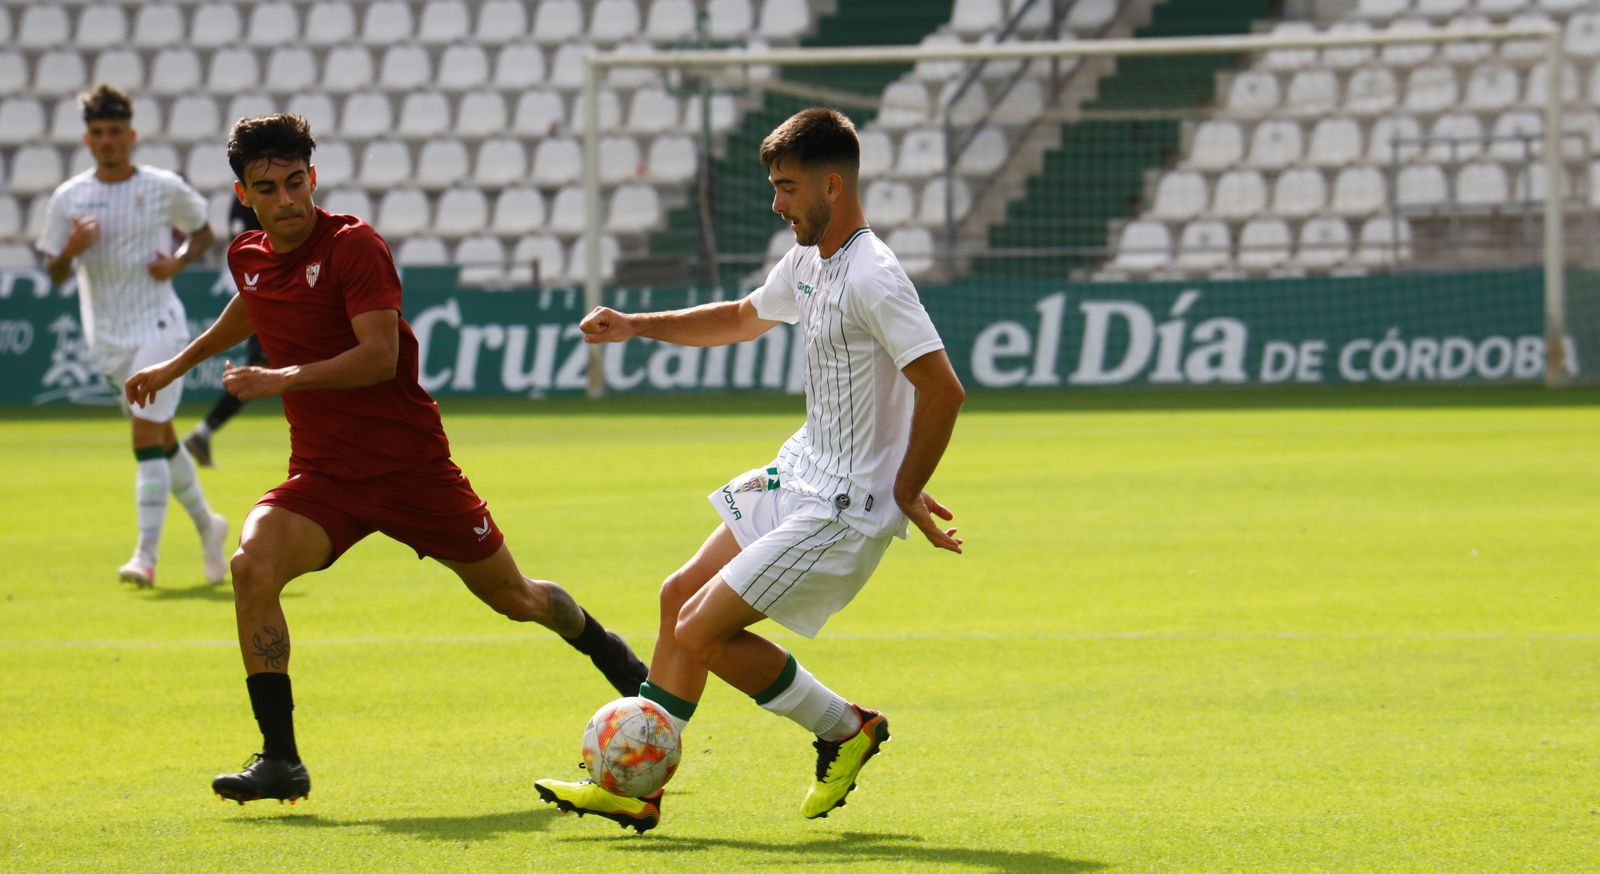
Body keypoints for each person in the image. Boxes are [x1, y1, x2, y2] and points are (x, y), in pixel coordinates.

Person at [124, 113, 648, 805]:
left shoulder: (353, 247)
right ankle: (281, 759)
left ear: (312, 177)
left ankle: (619, 661)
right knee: (253, 568)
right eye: (266, 187)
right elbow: (251, 304)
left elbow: (380, 357)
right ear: (243, 194)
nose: (285, 199)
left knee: (517, 600)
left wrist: (281, 379)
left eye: (294, 182)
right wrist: (177, 362)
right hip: (325, 477)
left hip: (411, 472)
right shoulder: (247, 254)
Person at [535, 107, 965, 833]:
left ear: (834, 185)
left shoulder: (875, 276)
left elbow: (943, 388)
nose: (777, 203)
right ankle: (640, 789)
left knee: (702, 629)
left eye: (788, 188)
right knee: (679, 597)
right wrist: (639, 326)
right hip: (800, 470)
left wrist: (900, 488)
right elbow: (739, 317)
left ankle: (844, 727)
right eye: (773, 186)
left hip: (844, 506)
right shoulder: (806, 262)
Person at [36, 83, 227, 589]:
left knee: (144, 434)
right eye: (97, 133)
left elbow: (205, 230)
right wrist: (71, 250)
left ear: (132, 135)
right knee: (160, 437)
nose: (107, 141)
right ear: (86, 138)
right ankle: (210, 526)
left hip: (159, 326)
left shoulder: (163, 186)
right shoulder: (70, 198)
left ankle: (145, 556)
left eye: (115, 132)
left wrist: (178, 261)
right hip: (108, 338)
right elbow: (53, 274)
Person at [181, 198, 272, 468]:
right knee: (262, 368)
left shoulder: (245, 198)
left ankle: (203, 433)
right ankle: (202, 433)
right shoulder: (247, 200)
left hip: (271, 292)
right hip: (268, 294)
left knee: (271, 367)